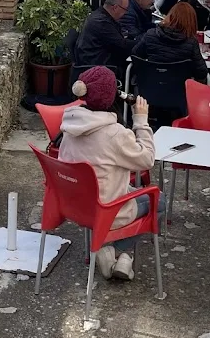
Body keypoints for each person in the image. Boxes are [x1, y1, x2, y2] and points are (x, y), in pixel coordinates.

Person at [58, 67, 159, 281]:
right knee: (159, 201)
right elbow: (147, 160)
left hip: (75, 206)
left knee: (130, 189)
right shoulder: (115, 134)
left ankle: (118, 258)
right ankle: (117, 250)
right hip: (106, 211)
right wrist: (141, 121)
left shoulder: (69, 125)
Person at [132, 0, 207, 82]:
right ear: (192, 21)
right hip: (179, 87)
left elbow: (136, 54)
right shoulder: (191, 42)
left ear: (170, 15)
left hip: (151, 84)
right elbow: (202, 72)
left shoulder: (151, 34)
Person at [74, 0, 137, 71]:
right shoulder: (102, 22)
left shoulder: (98, 15)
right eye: (125, 9)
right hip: (96, 67)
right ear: (115, 8)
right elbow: (122, 45)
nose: (125, 13)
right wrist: (142, 43)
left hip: (94, 60)